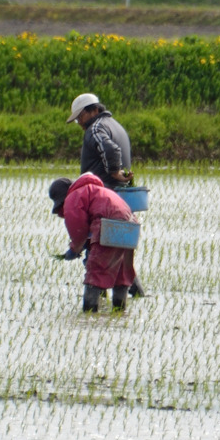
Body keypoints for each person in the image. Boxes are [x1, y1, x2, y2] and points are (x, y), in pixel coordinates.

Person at [66, 92, 146, 297]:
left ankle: (97, 296)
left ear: (93, 110)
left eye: (79, 118)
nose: (80, 123)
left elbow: (110, 150)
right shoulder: (115, 125)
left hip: (103, 198)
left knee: (97, 249)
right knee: (118, 248)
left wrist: (113, 172)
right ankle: (135, 292)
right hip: (119, 200)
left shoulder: (96, 128)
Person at [49, 174, 137, 313]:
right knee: (121, 272)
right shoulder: (97, 190)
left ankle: (90, 312)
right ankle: (119, 311)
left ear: (64, 197)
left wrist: (74, 249)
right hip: (131, 226)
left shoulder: (74, 196)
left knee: (95, 272)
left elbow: (78, 230)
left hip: (109, 225)